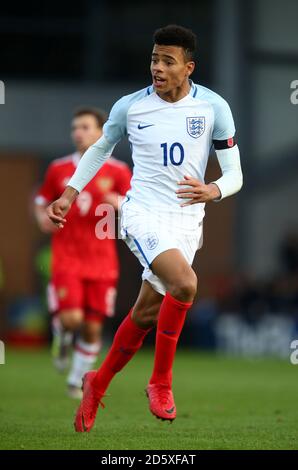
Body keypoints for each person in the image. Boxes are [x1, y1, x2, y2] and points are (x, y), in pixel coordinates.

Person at [47, 24, 243, 431]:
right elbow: (100, 149)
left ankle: (96, 384)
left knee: (146, 312)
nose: (157, 67)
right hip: (143, 214)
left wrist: (214, 189)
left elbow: (235, 173)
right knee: (185, 285)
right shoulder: (130, 107)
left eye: (167, 61)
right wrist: (69, 193)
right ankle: (160, 382)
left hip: (188, 219)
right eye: (154, 59)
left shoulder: (214, 108)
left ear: (188, 67)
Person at [34, 107, 131, 398]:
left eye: (86, 127)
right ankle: (61, 334)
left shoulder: (118, 170)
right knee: (72, 319)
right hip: (67, 257)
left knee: (92, 327)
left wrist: (121, 203)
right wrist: (41, 216)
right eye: (75, 127)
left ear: (101, 132)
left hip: (103, 261)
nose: (79, 132)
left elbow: (135, 206)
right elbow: (41, 200)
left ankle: (75, 380)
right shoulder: (59, 168)